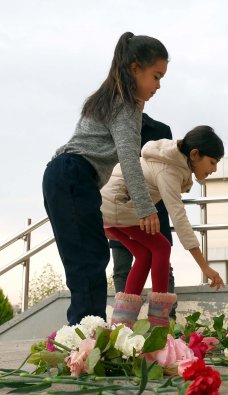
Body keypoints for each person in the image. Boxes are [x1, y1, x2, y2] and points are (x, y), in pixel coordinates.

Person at [43, 32, 168, 325]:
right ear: (135, 68)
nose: (158, 86)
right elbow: (128, 158)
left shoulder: (107, 99)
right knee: (89, 260)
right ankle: (88, 337)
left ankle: (84, 335)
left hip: (64, 175)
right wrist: (145, 207)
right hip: (74, 174)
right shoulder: (125, 105)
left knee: (86, 259)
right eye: (156, 76)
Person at [102, 126, 226, 328]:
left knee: (144, 255)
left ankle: (122, 325)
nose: (214, 169)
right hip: (118, 203)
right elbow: (178, 215)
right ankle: (158, 324)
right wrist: (204, 266)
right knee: (161, 247)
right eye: (212, 162)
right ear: (194, 154)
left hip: (109, 207)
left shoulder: (171, 161)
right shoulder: (169, 169)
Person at [110, 112, 178, 320]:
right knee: (122, 268)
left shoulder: (161, 130)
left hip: (153, 213)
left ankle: (166, 322)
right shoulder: (111, 127)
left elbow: (167, 168)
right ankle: (123, 328)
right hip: (118, 210)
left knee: (163, 264)